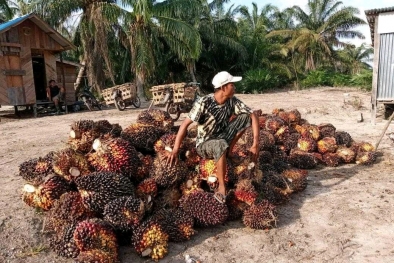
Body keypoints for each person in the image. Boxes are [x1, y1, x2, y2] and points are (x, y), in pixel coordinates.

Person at [165, 71, 260, 203]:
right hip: (205, 144)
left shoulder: (232, 101)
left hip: (222, 137)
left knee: (245, 118)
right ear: (223, 88)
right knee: (219, 144)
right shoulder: (204, 102)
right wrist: (175, 149)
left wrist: (255, 144)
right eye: (232, 84)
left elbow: (253, 115)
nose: (235, 87)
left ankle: (229, 152)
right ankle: (221, 186)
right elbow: (184, 125)